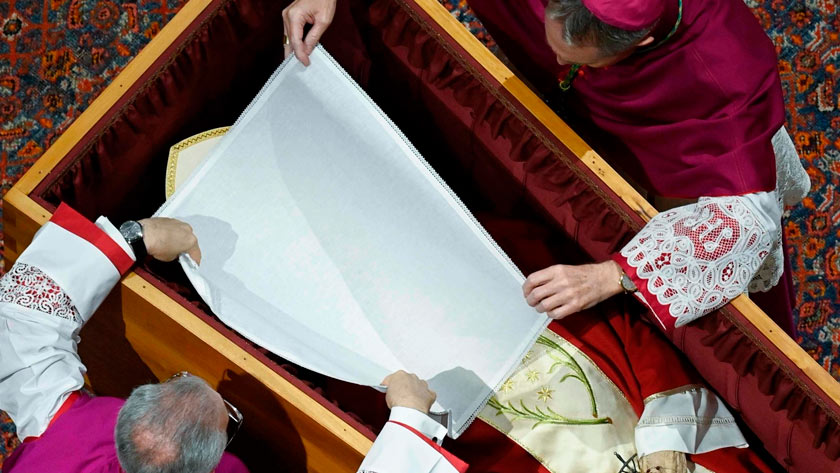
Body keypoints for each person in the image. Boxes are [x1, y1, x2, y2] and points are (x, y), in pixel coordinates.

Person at [282, 0, 810, 338]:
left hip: (667, 154)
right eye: (556, 45)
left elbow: (744, 223)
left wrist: (614, 275)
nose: (562, 65)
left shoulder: (726, 76)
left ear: (641, 43)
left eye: (580, 61)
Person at [0, 203, 466, 473]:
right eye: (230, 422)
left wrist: (134, 237)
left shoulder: (62, 434)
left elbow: (20, 324)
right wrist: (410, 422)